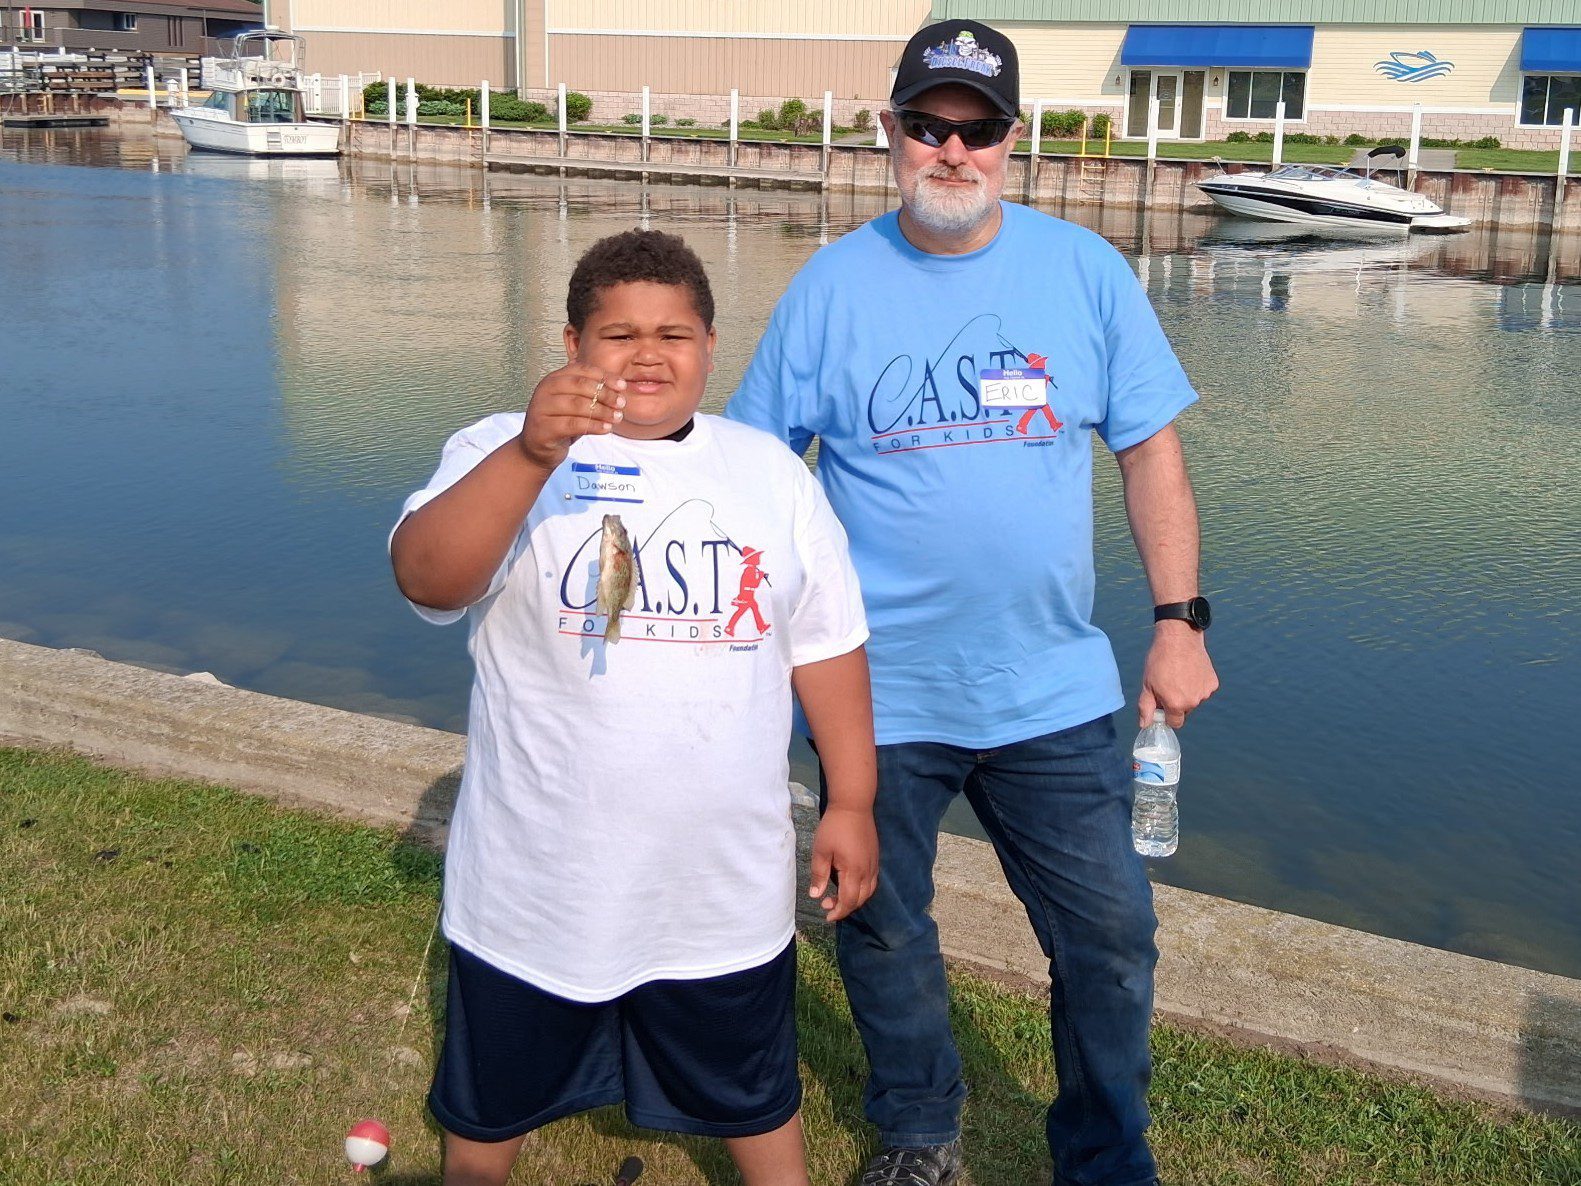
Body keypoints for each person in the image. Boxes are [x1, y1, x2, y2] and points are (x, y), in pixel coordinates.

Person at [725, 19, 1219, 1186]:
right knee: (882, 924)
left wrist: (1178, 619)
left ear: (1012, 142)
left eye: (977, 129)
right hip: (872, 690)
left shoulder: (1085, 271)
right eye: (929, 125)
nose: (952, 149)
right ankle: (918, 1131)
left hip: (1050, 687)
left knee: (1109, 936)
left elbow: (1150, 453)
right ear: (890, 133)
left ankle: (1104, 1154)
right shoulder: (828, 286)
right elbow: (752, 474)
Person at [390, 229, 879, 1186]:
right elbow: (428, 577)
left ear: (709, 348)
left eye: (676, 334)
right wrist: (535, 452)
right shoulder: (499, 447)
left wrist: (852, 802)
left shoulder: (769, 473)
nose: (647, 355)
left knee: (754, 1090)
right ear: (570, 343)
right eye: (617, 334)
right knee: (490, 1108)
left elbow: (826, 647)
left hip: (718, 886)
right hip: (534, 886)